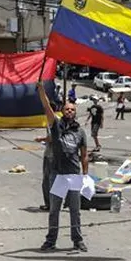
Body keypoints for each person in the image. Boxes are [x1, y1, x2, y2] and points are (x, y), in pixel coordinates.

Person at [36, 82, 88, 252]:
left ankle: (77, 240)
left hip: (74, 175)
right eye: (66, 109)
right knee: (54, 211)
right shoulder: (56, 126)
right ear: (62, 111)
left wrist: (85, 176)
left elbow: (84, 155)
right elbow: (46, 107)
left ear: (75, 112)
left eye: (72, 109)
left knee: (75, 211)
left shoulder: (80, 132)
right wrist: (42, 90)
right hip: (58, 175)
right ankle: (51, 241)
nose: (69, 111)